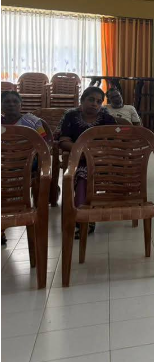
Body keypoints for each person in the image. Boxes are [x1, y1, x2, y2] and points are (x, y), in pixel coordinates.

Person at [57, 87, 117, 238]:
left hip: (102, 160)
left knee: (84, 174)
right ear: (82, 100)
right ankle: (84, 219)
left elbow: (114, 142)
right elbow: (63, 141)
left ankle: (84, 219)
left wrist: (93, 153)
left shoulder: (107, 119)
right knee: (82, 173)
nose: (95, 104)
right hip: (78, 159)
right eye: (91, 99)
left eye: (99, 101)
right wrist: (81, 151)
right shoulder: (70, 117)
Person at [1, 91, 53, 246]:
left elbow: (44, 144)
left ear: (20, 104)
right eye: (7, 102)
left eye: (15, 102)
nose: (11, 104)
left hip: (27, 162)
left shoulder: (32, 121)